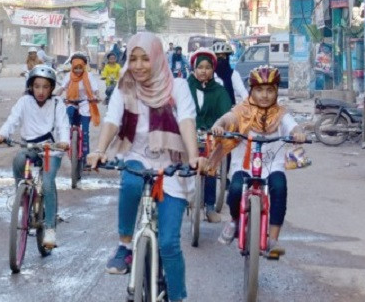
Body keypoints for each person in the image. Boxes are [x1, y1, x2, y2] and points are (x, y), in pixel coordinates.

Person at [87, 32, 206, 302]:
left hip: (172, 165)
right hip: (137, 155)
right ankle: (124, 246)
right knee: (130, 182)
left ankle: (178, 297)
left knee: (169, 244)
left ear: (157, 58)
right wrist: (99, 150)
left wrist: (193, 156)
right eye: (133, 59)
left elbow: (187, 120)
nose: (139, 65)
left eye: (145, 59)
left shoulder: (178, 87)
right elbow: (112, 120)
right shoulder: (124, 86)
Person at [210, 65, 307, 259]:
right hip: (245, 165)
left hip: (272, 165)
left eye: (270, 90)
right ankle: (235, 220)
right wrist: (219, 126)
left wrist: (297, 132)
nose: (264, 95)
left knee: (280, 187)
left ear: (277, 91)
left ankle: (273, 239)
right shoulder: (242, 110)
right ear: (251, 91)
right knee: (236, 188)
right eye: (259, 90)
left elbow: (292, 125)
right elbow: (228, 118)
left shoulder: (280, 113)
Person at [0, 65, 69, 248]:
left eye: (45, 87)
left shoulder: (58, 103)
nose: (41, 91)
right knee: (19, 159)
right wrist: (2, 134)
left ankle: (50, 228)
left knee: (48, 183)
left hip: (52, 149)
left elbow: (62, 125)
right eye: (37, 86)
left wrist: (64, 141)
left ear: (52, 88)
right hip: (31, 147)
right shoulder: (24, 102)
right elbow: (12, 120)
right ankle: (24, 195)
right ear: (30, 87)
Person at [187, 47, 233, 223]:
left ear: (213, 69)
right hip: (189, 134)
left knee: (211, 165)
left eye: (207, 67)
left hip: (210, 136)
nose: (203, 71)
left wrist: (220, 126)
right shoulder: (185, 86)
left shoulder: (219, 90)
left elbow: (226, 113)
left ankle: (210, 207)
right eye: (200, 67)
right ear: (194, 68)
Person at [55, 52, 100, 170]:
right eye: (76, 67)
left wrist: (96, 97)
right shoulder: (68, 76)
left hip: (85, 104)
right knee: (67, 123)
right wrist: (53, 96)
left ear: (84, 66)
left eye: (81, 67)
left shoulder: (89, 76)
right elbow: (61, 88)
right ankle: (69, 143)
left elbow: (95, 90)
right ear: (72, 67)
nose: (78, 70)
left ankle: (86, 159)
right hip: (71, 102)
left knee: (85, 133)